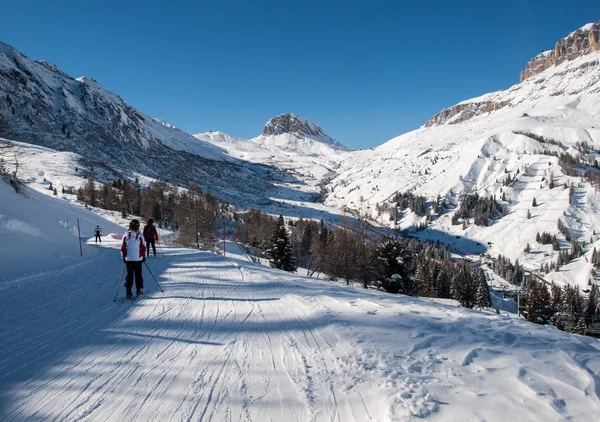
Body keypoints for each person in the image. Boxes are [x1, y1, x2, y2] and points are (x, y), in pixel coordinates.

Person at [120, 219, 146, 298]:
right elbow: (143, 247)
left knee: (130, 275)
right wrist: (144, 257)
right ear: (138, 227)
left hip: (129, 260)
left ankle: (128, 291)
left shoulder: (126, 236)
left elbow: (123, 248)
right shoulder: (140, 236)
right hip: (138, 260)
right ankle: (139, 291)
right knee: (138, 275)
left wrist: (123, 257)